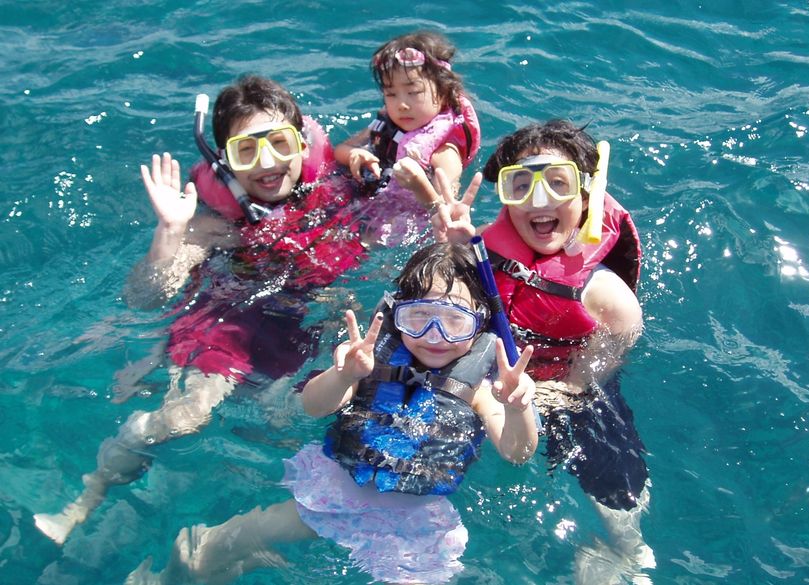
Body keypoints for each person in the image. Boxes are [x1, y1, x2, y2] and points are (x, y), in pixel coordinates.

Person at [33, 75, 369, 545]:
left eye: (278, 143)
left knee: (288, 432)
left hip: (299, 333)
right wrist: (170, 232)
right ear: (224, 161)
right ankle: (84, 502)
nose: (267, 163)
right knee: (183, 419)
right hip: (225, 327)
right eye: (246, 151)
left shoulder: (337, 189)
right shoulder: (215, 225)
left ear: (301, 142)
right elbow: (147, 297)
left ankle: (210, 537)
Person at [125, 242, 539, 585]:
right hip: (336, 490)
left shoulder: (480, 389)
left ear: (479, 325)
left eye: (454, 321)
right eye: (419, 318)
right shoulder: (364, 358)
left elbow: (516, 453)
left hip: (413, 520)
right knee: (211, 549)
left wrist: (517, 408)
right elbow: (313, 406)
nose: (435, 336)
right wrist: (343, 375)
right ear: (397, 316)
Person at [434, 120, 654, 583]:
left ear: (587, 194)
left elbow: (594, 374)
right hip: (490, 373)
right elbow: (444, 305)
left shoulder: (608, 298)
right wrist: (450, 250)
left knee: (616, 485)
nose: (538, 201)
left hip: (569, 391)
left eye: (558, 183)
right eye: (520, 185)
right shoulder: (481, 249)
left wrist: (556, 394)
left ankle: (627, 550)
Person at [335, 30, 480, 246]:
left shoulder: (445, 152)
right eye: (391, 94)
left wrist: (419, 185)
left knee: (363, 243)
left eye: (413, 92)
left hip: (404, 221)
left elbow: (445, 210)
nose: (402, 104)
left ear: (443, 92)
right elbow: (340, 150)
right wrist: (355, 154)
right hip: (369, 193)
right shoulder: (387, 124)